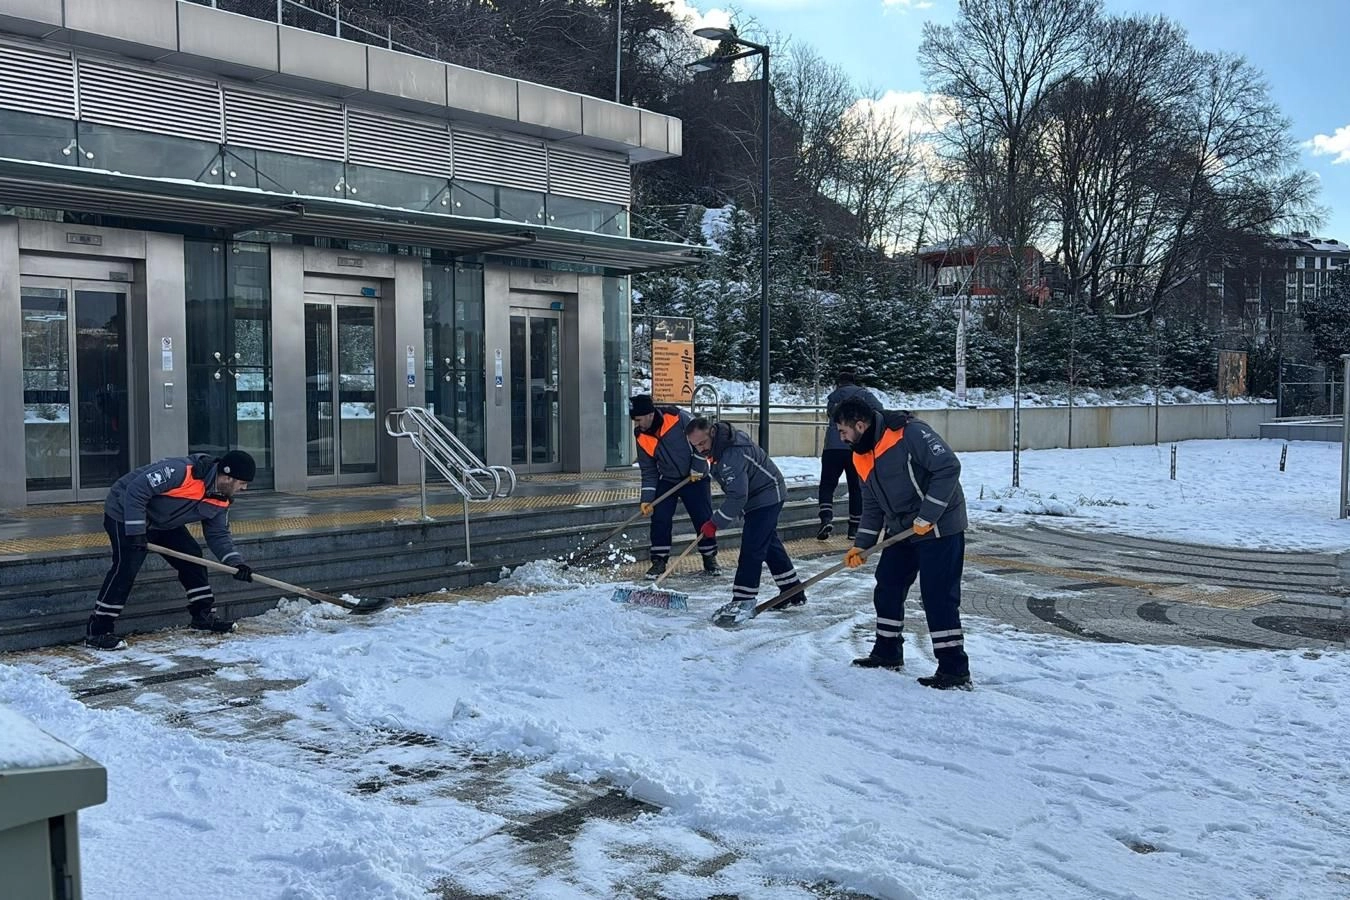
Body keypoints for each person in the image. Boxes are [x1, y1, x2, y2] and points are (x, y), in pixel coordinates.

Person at [833, 397, 972, 690]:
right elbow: (871, 504)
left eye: (843, 431)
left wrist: (929, 513)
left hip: (939, 527)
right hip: (901, 529)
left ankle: (954, 669)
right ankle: (887, 651)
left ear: (860, 425)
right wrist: (863, 545)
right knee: (887, 585)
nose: (841, 438)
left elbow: (948, 467)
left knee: (937, 596)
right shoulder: (860, 454)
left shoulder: (910, 433)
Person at [85, 450, 257, 650]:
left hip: (164, 523)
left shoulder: (221, 498)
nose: (244, 488)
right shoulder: (182, 471)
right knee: (127, 567)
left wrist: (235, 563)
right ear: (227, 477)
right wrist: (136, 530)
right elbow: (136, 489)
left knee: (192, 557)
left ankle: (202, 616)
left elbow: (218, 535)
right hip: (124, 512)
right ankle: (98, 630)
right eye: (242, 483)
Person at [685, 417, 806, 621]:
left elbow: (738, 495)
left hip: (767, 494)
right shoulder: (720, 445)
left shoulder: (731, 453)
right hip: (756, 496)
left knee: (752, 547)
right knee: (768, 544)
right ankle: (792, 592)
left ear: (712, 432)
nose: (700, 449)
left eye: (702, 443)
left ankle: (743, 599)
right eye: (695, 446)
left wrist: (715, 523)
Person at [630, 394, 719, 579]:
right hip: (668, 479)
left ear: (649, 414)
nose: (637, 425)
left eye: (639, 420)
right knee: (660, 518)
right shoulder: (640, 435)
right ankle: (659, 561)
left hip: (695, 479)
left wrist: (698, 467)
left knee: (703, 518)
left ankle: (710, 558)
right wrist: (647, 499)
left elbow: (703, 441)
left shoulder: (677, 417)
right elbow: (648, 470)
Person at [817, 369, 883, 541]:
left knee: (827, 484)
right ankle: (854, 527)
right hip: (855, 446)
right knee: (856, 486)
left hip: (832, 447)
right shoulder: (864, 395)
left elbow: (832, 415)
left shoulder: (833, 397)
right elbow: (880, 411)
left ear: (839, 383)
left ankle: (825, 518)